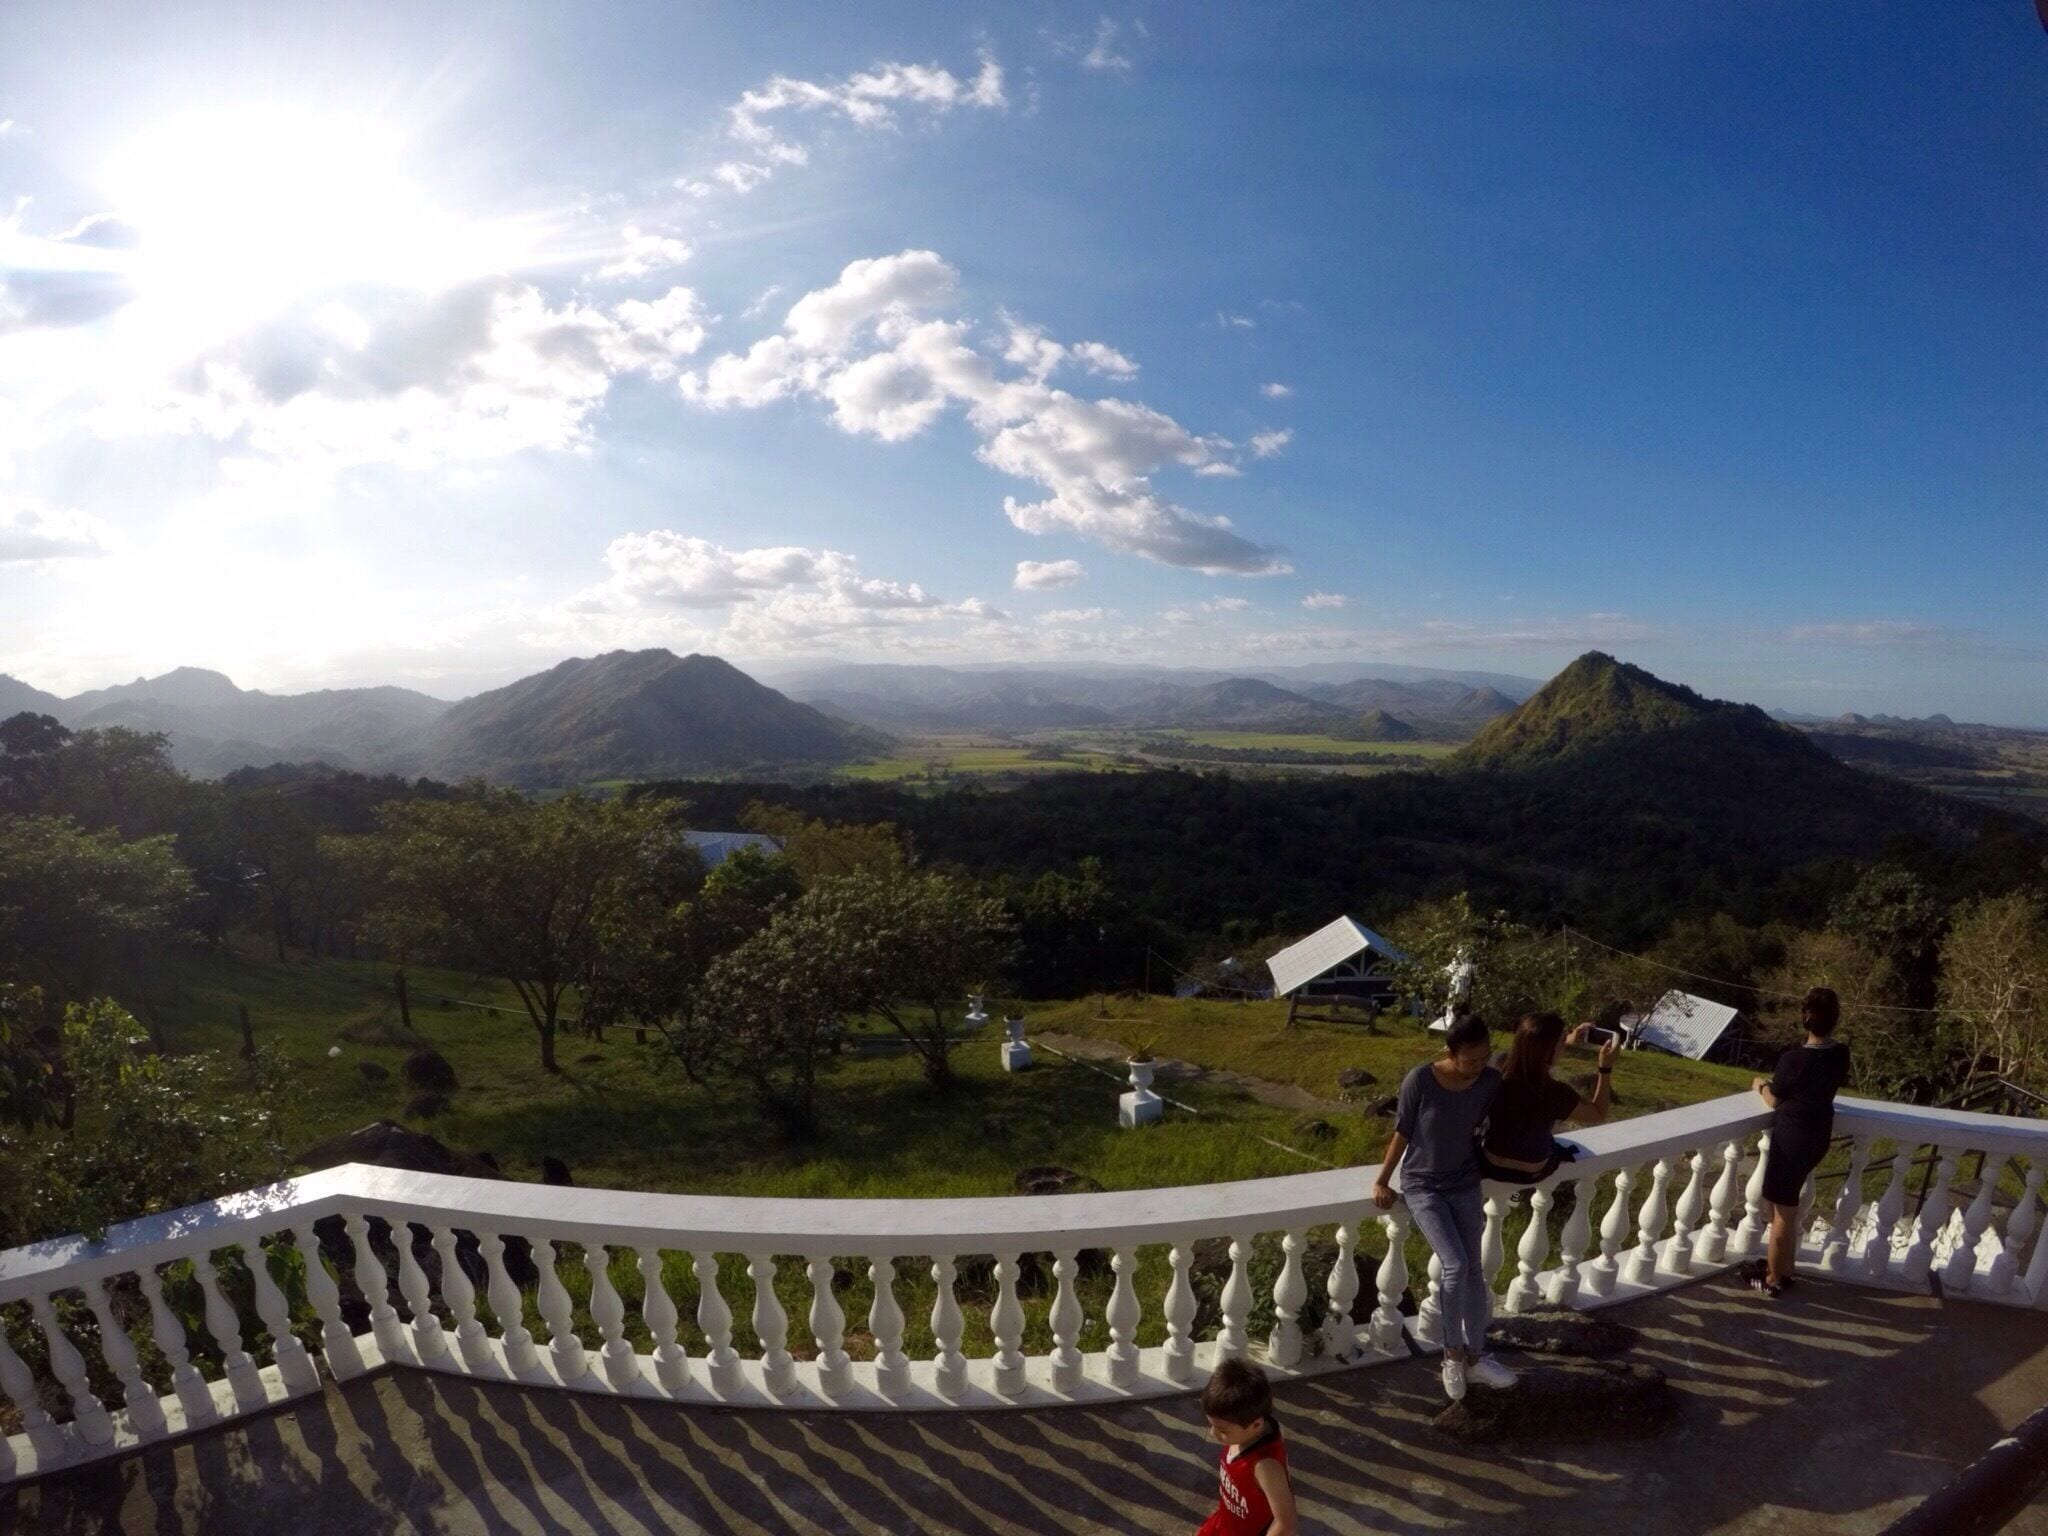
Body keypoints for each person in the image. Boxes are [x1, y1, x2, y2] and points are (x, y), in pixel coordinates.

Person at [1371, 1013, 1513, 1400]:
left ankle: (1477, 1356)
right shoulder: (1421, 1079)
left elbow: (1486, 1125)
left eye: (1484, 1057)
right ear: (1450, 1053)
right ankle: (1452, 1355)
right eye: (1469, 1060)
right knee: (1455, 1265)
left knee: (1474, 1272)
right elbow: (1403, 1131)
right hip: (1422, 1185)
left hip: (1464, 1181)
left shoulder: (1488, 1081)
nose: (1477, 1066)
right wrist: (1383, 1179)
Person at [1744, 986, 1850, 1298]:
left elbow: (1774, 1100)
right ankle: (1783, 1268)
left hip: (1792, 1141)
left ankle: (1773, 1280)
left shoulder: (1794, 1059)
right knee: (1786, 1208)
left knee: (1781, 1214)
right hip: (1818, 1137)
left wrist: (1759, 1085)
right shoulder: (1840, 1054)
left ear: (1805, 1017)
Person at [1478, 1012, 1621, 1184]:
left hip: (1490, 1164)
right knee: (1552, 1144)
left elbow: (1529, 1052)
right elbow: (1598, 1113)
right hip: (1531, 1172)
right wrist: (1605, 1068)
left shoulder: (1497, 1069)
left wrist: (1568, 1039)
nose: (1564, 1046)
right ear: (1548, 1050)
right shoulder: (1555, 1093)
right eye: (1561, 1042)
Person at [1196, 1358, 1297, 1536]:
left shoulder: (1265, 1466)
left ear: (1256, 1424)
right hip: (1226, 1522)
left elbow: (1286, 1523)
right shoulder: (1247, 1432)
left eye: (1222, 1430)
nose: (1213, 1433)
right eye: (1211, 1425)